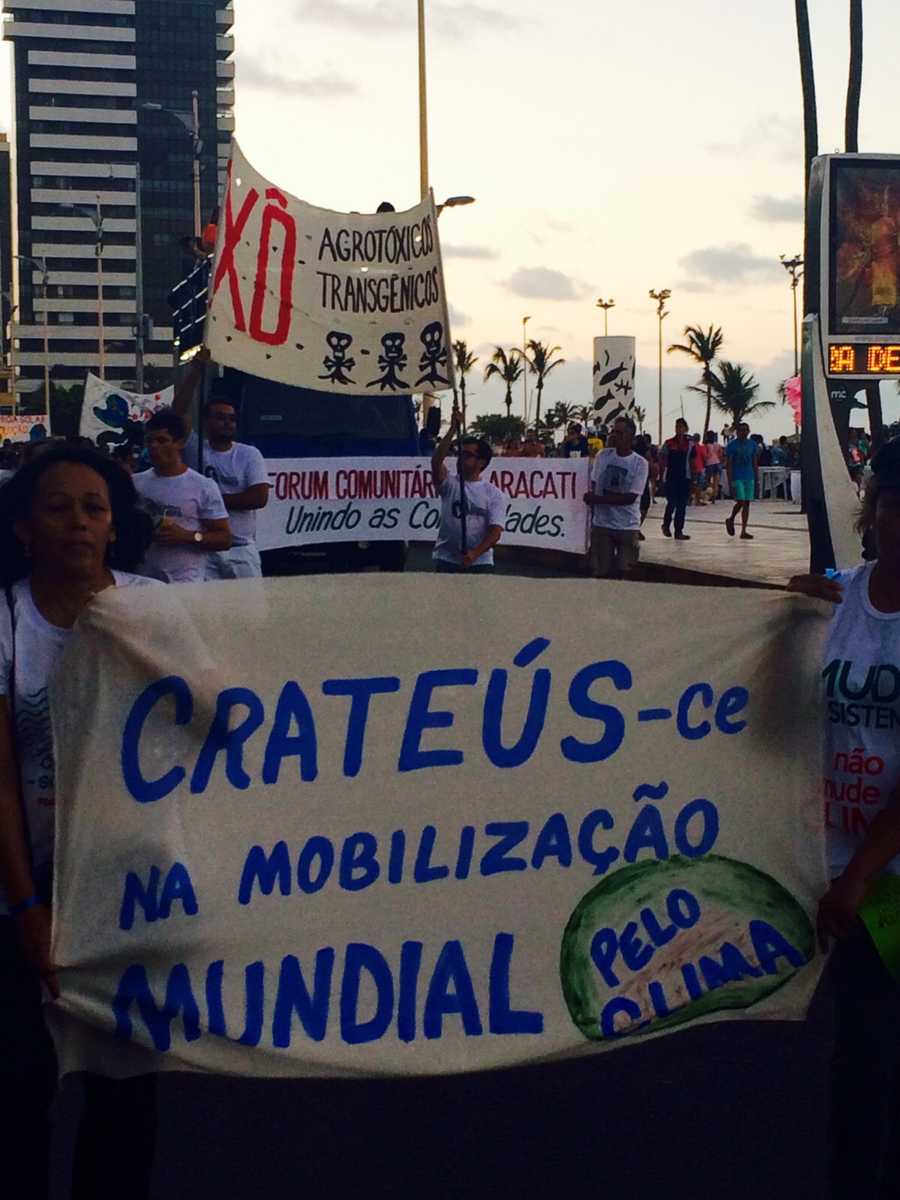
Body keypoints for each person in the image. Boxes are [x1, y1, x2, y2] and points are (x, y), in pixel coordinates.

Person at [0, 445, 158, 1197]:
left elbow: (219, 720)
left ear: (114, 527)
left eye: (93, 508)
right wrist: (26, 904)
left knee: (126, 1104)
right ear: (25, 529)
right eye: (57, 507)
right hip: (23, 901)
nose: (78, 523)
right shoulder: (4, 622)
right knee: (18, 1093)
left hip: (132, 903)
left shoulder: (155, 610)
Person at [787, 438, 900, 1200]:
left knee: (878, 1054)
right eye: (893, 501)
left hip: (884, 883)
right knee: (855, 1059)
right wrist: (785, 613)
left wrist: (858, 878)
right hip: (819, 865)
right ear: (873, 510)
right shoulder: (843, 596)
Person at [173, 349, 270, 578]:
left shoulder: (249, 454)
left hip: (241, 550)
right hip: (202, 550)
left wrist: (208, 501)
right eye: (220, 417)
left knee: (250, 612)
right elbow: (176, 414)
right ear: (206, 422)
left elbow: (258, 498)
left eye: (231, 419)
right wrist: (196, 370)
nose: (227, 423)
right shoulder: (194, 449)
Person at [133, 408, 232, 583]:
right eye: (150, 441)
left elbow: (224, 538)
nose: (154, 447)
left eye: (162, 440)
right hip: (144, 582)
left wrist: (187, 536)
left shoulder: (203, 486)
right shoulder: (135, 483)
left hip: (185, 584)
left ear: (179, 443)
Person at [431, 408, 505, 573]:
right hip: (446, 559)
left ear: (481, 462)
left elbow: (495, 532)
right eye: (461, 453)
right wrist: (452, 429)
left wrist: (474, 554)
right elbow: (436, 462)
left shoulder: (493, 494)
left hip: (480, 563)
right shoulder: (450, 484)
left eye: (468, 455)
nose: (461, 457)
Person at [584, 415, 649, 577]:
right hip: (602, 525)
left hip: (627, 526)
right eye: (613, 431)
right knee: (600, 571)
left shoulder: (640, 463)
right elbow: (594, 483)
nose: (614, 435)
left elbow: (630, 498)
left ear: (631, 437)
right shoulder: (602, 456)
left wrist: (597, 500)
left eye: (620, 433)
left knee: (625, 573)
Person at [659, 417, 694, 540]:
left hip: (685, 477)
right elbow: (663, 460)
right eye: (677, 426)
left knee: (682, 505)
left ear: (685, 428)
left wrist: (693, 479)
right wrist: (661, 477)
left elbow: (692, 461)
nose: (679, 429)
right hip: (671, 477)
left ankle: (678, 531)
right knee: (671, 503)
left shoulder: (690, 444)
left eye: (681, 427)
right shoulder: (669, 443)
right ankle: (666, 525)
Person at [725, 422, 759, 539]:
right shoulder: (732, 446)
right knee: (741, 501)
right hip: (737, 476)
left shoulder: (753, 445)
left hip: (749, 476)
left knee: (747, 503)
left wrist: (757, 479)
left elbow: (754, 463)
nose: (743, 432)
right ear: (737, 432)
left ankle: (744, 530)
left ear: (748, 431)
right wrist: (730, 482)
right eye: (741, 430)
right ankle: (731, 519)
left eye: (745, 430)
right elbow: (728, 464)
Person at [703, 431, 723, 502]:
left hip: (709, 463)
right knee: (716, 482)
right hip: (717, 463)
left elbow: (705, 455)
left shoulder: (706, 445)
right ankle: (714, 497)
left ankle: (708, 496)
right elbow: (720, 454)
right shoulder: (717, 445)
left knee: (708, 481)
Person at [690, 433, 708, 506]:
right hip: (699, 468)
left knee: (691, 484)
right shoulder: (701, 447)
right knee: (699, 485)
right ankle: (697, 500)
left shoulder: (690, 447)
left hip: (691, 468)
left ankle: (689, 498)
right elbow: (705, 457)